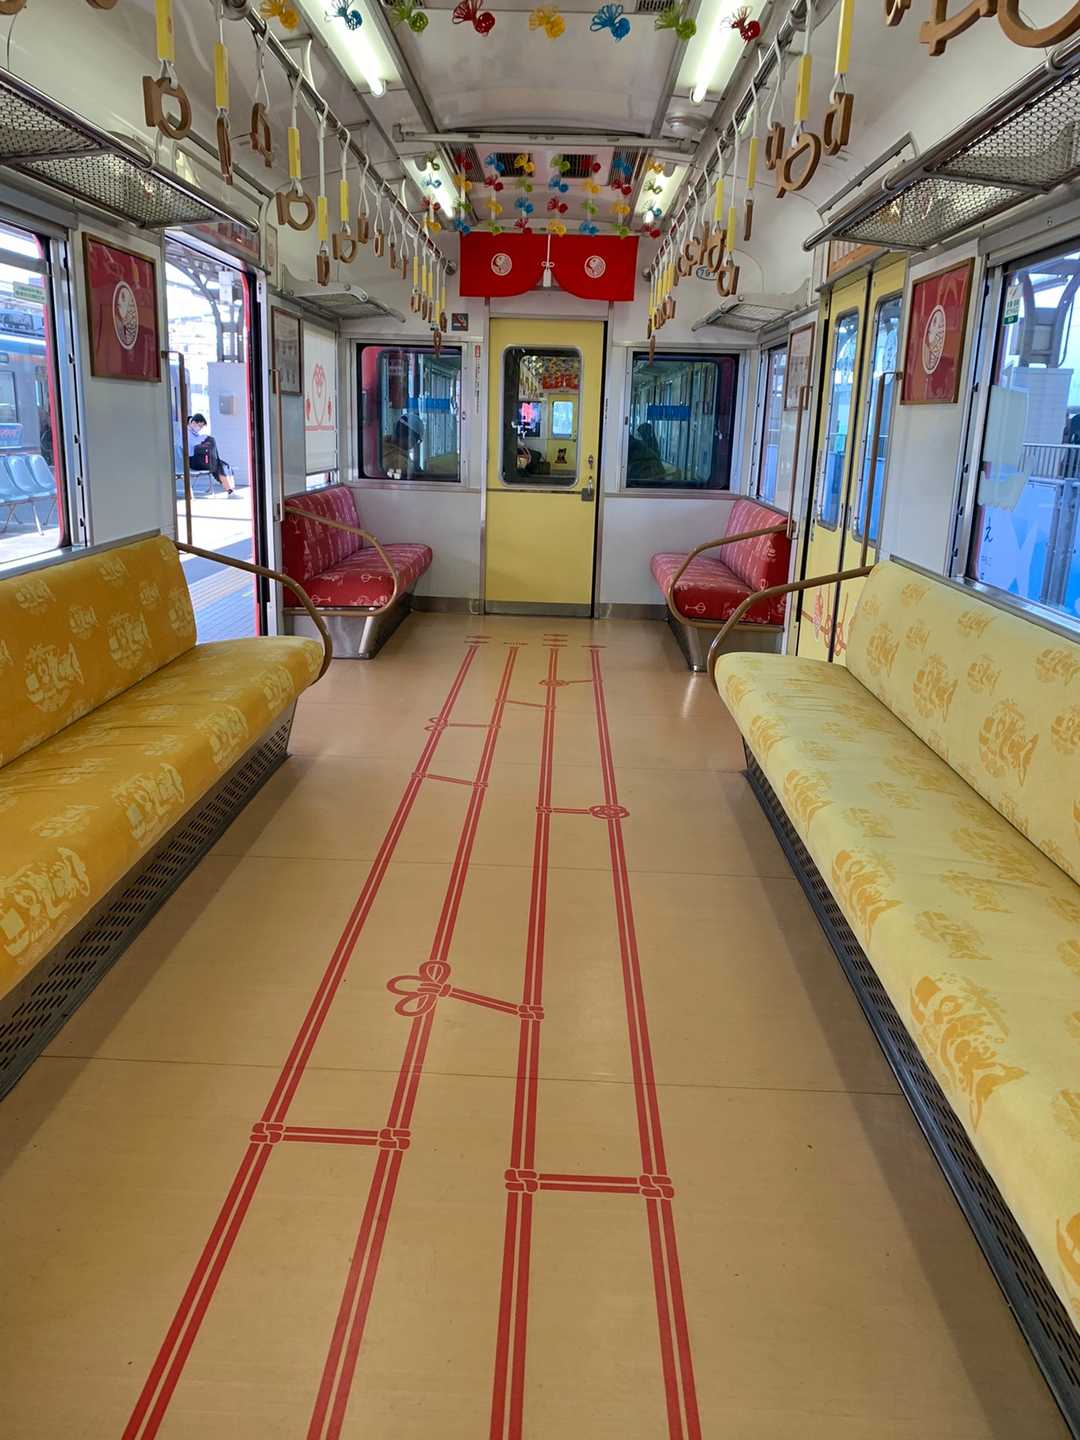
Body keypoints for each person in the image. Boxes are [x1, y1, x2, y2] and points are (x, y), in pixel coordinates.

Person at [187, 414, 236, 496]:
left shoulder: (193, 433)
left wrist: (203, 440)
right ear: (193, 423)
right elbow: (191, 447)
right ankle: (230, 489)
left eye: (202, 427)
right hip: (192, 461)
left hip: (196, 459)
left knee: (223, 465)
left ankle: (230, 489)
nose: (200, 428)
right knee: (218, 465)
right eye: (200, 426)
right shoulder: (186, 433)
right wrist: (202, 439)